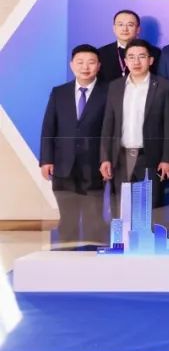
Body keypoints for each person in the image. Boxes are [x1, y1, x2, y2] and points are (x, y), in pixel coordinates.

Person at [39, 45, 109, 244]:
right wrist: (46, 160)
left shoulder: (109, 91)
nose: (85, 67)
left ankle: (92, 255)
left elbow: (111, 131)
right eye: (80, 62)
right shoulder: (59, 92)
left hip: (95, 166)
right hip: (63, 165)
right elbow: (48, 127)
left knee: (93, 219)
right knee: (67, 219)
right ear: (72, 65)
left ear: (99, 66)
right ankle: (65, 256)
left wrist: (107, 159)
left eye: (91, 62)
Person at [99, 39, 169, 207]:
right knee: (122, 209)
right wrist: (105, 158)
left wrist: (167, 159)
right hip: (120, 158)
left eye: (142, 56)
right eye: (131, 57)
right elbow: (108, 125)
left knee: (151, 208)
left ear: (151, 60)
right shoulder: (115, 86)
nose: (136, 62)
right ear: (125, 61)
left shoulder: (163, 86)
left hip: (150, 158)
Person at [98, 10, 160, 82]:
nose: (125, 29)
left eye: (130, 25)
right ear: (114, 28)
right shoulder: (101, 53)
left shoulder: (154, 52)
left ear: (138, 29)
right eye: (120, 25)